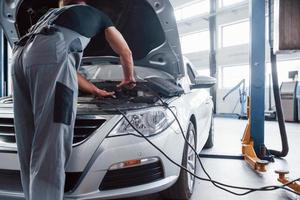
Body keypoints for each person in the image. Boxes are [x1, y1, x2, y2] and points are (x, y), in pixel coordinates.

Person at [11, 0, 135, 199]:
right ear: (83, 3)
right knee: (52, 140)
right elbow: (125, 51)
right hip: (50, 54)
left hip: (20, 55)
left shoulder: (50, 18)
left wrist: (95, 89)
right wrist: (129, 77)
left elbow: (57, 63)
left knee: (28, 138)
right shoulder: (98, 16)